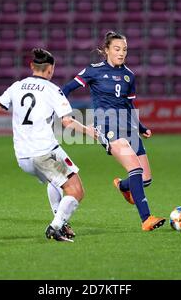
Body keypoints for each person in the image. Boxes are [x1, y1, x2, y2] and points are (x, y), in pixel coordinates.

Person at [0, 48, 96, 242]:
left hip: (23, 158)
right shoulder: (53, 90)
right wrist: (88, 130)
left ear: (31, 66)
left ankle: (62, 223)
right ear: (51, 69)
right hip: (44, 153)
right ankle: (55, 226)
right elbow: (67, 122)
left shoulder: (17, 86)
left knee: (54, 180)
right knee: (76, 190)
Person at [61, 31, 165, 231]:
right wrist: (64, 113)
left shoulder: (129, 75)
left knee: (146, 179)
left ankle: (123, 186)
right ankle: (146, 219)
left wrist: (141, 127)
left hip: (129, 127)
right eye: (117, 49)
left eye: (124, 49)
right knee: (135, 168)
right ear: (106, 50)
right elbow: (65, 89)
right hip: (107, 127)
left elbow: (129, 104)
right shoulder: (94, 70)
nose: (121, 53)